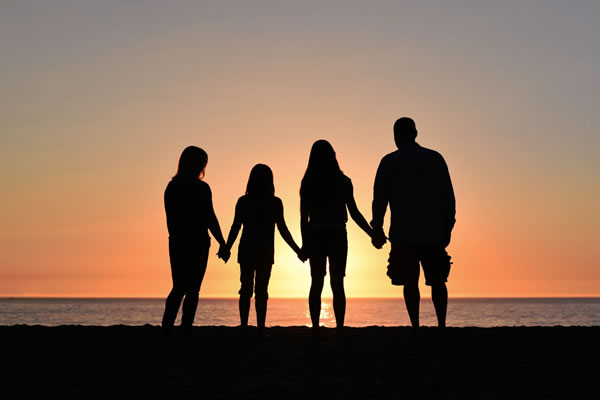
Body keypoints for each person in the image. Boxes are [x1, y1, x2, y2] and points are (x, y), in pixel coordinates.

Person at [371, 117, 455, 333]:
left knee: (410, 282)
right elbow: (448, 197)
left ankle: (416, 326)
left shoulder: (389, 161)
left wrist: (377, 227)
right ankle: (442, 325)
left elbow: (380, 198)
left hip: (403, 233)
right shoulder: (435, 158)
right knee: (437, 281)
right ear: (415, 133)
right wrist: (448, 227)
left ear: (396, 136)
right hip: (433, 231)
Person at [300, 140, 374, 336]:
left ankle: (316, 327)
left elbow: (303, 218)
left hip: (315, 234)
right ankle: (339, 327)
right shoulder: (343, 181)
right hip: (337, 234)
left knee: (316, 282)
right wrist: (371, 233)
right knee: (337, 283)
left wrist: (304, 244)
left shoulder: (308, 182)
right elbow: (355, 213)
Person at [221, 164, 303, 338]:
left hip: (247, 249)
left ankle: (245, 326)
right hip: (264, 251)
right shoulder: (274, 202)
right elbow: (283, 229)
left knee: (246, 288)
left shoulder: (244, 201)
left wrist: (227, 247)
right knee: (261, 291)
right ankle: (259, 328)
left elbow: (236, 227)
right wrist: (298, 250)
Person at [161, 146, 227, 335]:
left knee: (180, 287)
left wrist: (222, 242)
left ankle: (169, 327)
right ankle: (184, 328)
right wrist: (222, 243)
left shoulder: (172, 187)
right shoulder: (200, 188)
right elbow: (209, 217)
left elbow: (172, 221)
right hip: (195, 242)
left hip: (179, 242)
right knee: (191, 289)